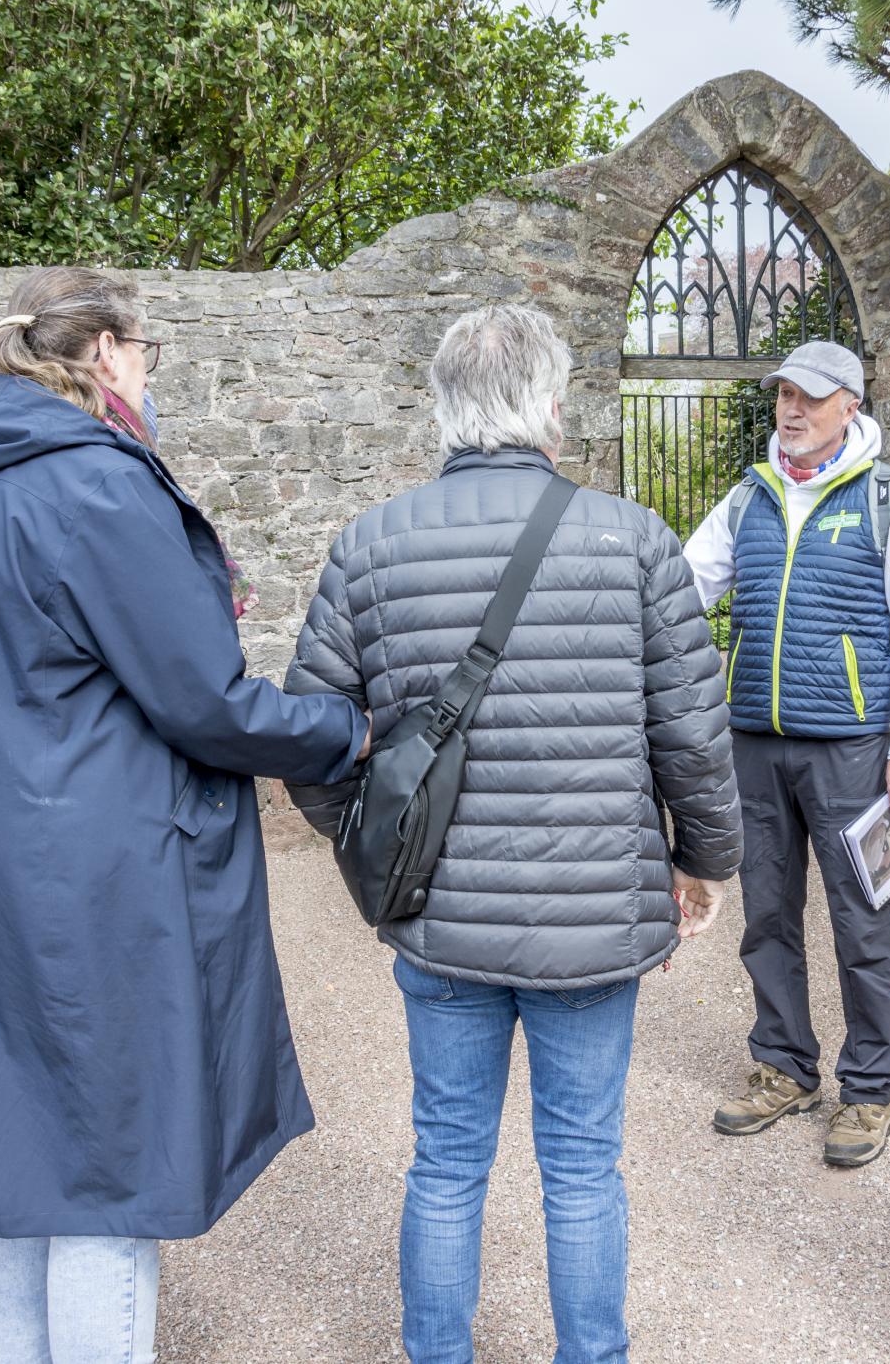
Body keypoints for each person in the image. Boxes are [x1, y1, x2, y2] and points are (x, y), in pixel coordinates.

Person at [0, 265, 369, 1363]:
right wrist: (342, 732)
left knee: (6, 1167)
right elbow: (204, 700)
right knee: (105, 1170)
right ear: (103, 351)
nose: (150, 372)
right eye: (148, 351)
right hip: (91, 879)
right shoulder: (97, 483)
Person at [284, 303, 741, 1364]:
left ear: (443, 411)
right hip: (595, 916)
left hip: (440, 916)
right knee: (583, 1166)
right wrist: (699, 862)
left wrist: (368, 855)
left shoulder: (368, 546)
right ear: (548, 405)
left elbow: (309, 737)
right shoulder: (633, 541)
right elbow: (693, 739)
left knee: (445, 1162)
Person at [682, 339, 890, 1168]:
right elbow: (682, 589)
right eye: (783, 396)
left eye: (809, 396)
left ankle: (868, 1088)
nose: (791, 410)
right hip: (756, 743)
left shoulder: (889, 501)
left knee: (861, 918)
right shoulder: (749, 497)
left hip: (852, 749)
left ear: (851, 407)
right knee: (767, 913)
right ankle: (784, 1064)